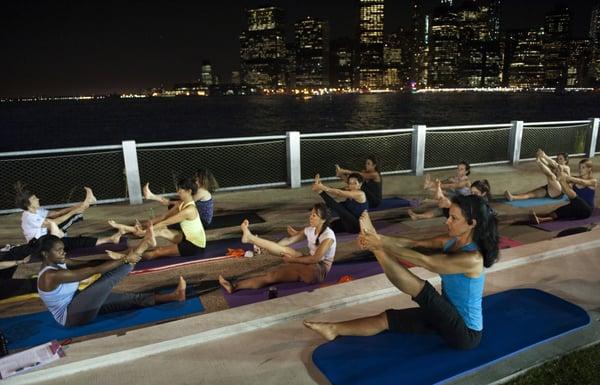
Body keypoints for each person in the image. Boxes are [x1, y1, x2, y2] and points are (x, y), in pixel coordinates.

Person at [305, 195, 499, 350]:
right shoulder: (450, 242)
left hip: (465, 333)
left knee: (425, 291)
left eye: (454, 218)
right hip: (445, 314)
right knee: (386, 319)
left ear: (472, 223)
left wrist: (378, 244)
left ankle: (376, 249)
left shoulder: (473, 258)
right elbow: (413, 244)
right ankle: (333, 329)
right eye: (448, 215)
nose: (447, 221)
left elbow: (427, 261)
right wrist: (378, 238)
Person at [37, 229, 186, 327]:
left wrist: (118, 257)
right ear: (45, 254)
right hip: (72, 315)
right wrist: (124, 259)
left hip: (79, 304)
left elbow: (90, 262)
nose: (63, 253)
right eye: (59, 251)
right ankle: (143, 246)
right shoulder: (50, 276)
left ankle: (174, 296)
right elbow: (92, 270)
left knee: (127, 298)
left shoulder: (60, 262)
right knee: (107, 279)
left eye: (63, 249)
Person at [219, 203, 336, 293]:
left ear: (323, 219)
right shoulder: (309, 229)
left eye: (314, 215)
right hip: (309, 264)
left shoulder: (328, 236)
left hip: (318, 271)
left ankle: (250, 238)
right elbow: (288, 240)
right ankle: (234, 286)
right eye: (311, 214)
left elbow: (315, 259)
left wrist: (292, 260)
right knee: (272, 275)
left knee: (287, 258)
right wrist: (270, 247)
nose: (310, 217)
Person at [109, 177, 206, 260]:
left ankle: (125, 259)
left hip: (195, 246)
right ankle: (132, 252)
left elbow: (165, 222)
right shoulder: (181, 203)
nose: (178, 191)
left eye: (180, 189)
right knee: (160, 231)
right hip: (185, 237)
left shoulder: (189, 210)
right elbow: (164, 216)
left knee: (157, 251)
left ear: (189, 191)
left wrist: (144, 231)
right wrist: (147, 224)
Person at [16, 186, 121, 252]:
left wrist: (78, 206)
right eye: (34, 198)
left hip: (48, 236)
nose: (38, 199)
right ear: (28, 204)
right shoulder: (28, 217)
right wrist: (76, 210)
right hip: (39, 245)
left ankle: (87, 204)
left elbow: (57, 214)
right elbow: (56, 222)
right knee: (72, 241)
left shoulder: (36, 211)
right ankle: (87, 205)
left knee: (72, 220)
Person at [143, 168, 218, 227]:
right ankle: (151, 197)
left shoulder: (202, 191)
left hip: (202, 221)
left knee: (174, 205)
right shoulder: (200, 189)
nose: (195, 180)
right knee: (174, 204)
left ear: (203, 180)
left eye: (197, 178)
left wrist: (169, 202)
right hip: (195, 214)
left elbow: (186, 202)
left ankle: (152, 199)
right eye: (195, 177)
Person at [533, 159, 597, 223]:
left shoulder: (593, 181)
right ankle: (541, 219)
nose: (580, 169)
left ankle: (561, 180)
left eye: (583, 167)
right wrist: (545, 164)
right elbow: (556, 171)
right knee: (556, 213)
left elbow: (582, 182)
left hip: (586, 210)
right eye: (579, 167)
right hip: (575, 206)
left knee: (573, 195)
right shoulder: (575, 178)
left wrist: (566, 177)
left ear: (589, 169)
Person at [504, 149, 570, 201]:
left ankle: (539, 163)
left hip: (559, 191)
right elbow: (547, 163)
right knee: (531, 194)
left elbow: (555, 164)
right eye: (557, 158)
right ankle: (513, 197)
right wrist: (539, 157)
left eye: (560, 159)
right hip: (550, 188)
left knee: (551, 176)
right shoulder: (555, 166)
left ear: (565, 161)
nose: (558, 160)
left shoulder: (567, 168)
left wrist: (544, 156)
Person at [409, 180, 491, 220]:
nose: (472, 194)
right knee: (442, 207)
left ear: (483, 193)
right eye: (471, 192)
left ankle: (438, 193)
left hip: (465, 219)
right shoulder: (471, 197)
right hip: (459, 208)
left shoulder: (482, 204)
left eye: (475, 193)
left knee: (446, 204)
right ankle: (418, 216)